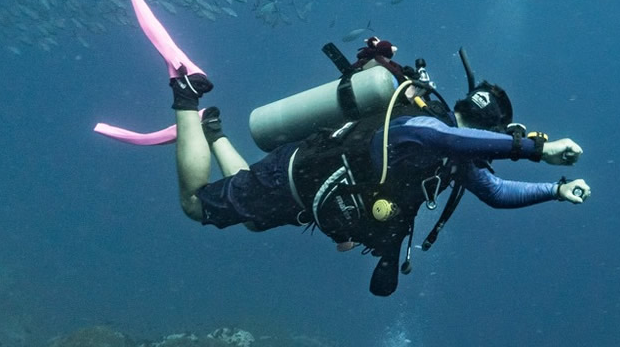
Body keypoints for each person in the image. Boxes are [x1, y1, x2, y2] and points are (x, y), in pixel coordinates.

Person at [168, 36, 589, 296]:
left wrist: (555, 189)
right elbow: (444, 138)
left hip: (309, 196)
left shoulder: (454, 161)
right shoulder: (425, 124)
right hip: (296, 176)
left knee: (253, 222)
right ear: (492, 128)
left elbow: (497, 193)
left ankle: (214, 131)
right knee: (194, 206)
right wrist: (535, 148)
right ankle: (187, 93)